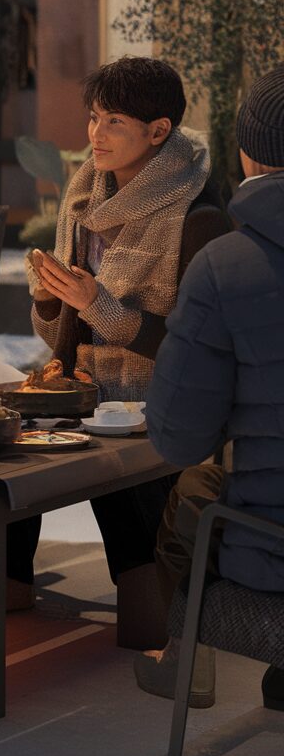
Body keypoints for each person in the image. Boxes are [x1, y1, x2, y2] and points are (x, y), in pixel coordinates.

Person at [16, 56, 231, 636]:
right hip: (78, 389)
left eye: (114, 122)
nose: (95, 135)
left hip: (156, 403)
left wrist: (98, 308)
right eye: (93, 118)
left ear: (158, 131)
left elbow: (200, 352)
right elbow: (63, 339)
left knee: (147, 622)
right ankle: (1, 586)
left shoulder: (199, 215)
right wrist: (49, 301)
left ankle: (153, 600)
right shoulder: (84, 195)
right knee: (3, 463)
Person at [133, 66, 284, 711]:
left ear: (248, 151)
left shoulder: (226, 264)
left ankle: (182, 662)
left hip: (272, 551)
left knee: (192, 493)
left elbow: (178, 434)